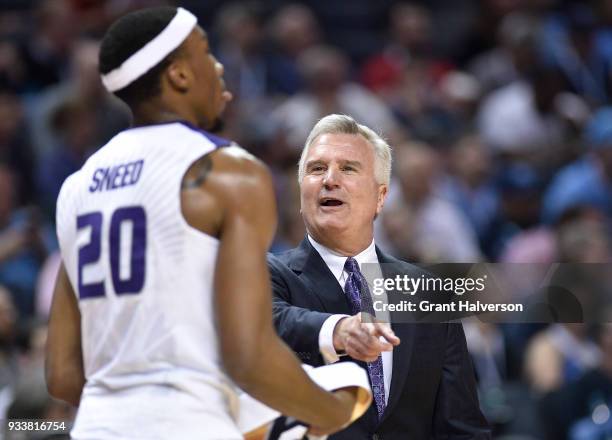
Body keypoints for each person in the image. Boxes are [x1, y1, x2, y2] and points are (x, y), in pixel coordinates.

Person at [44, 7, 362, 439]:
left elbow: (62, 374)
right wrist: (330, 412)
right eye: (206, 52)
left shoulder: (76, 188)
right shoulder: (228, 174)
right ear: (179, 76)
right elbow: (249, 358)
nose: (219, 67)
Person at [269, 114, 491, 439]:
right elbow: (269, 321)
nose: (330, 179)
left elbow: (462, 426)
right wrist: (339, 329)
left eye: (348, 168)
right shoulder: (270, 274)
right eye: (316, 169)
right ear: (302, 192)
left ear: (381, 197)